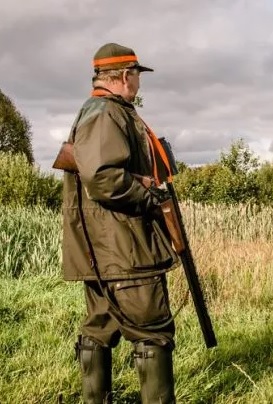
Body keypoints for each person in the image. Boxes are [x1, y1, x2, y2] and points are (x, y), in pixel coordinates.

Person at [61, 43, 178, 403]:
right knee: (152, 331)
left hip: (105, 251)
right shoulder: (106, 113)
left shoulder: (102, 111)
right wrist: (149, 197)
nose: (139, 85)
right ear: (126, 76)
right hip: (126, 249)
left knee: (100, 327)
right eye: (137, 77)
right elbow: (102, 178)